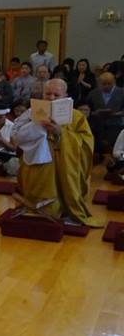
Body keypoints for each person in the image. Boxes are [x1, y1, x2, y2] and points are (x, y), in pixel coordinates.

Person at [12, 79, 100, 227]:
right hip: (36, 162)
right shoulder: (31, 112)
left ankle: (63, 211)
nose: (51, 98)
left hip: (65, 163)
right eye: (48, 94)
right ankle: (33, 209)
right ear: (42, 94)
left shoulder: (76, 116)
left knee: (57, 196)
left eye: (56, 95)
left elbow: (86, 143)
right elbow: (17, 135)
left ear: (65, 95)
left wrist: (61, 133)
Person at [86, 72, 124, 157]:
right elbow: (86, 109)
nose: (106, 86)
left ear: (114, 82)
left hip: (116, 126)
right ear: (99, 83)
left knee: (115, 150)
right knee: (98, 151)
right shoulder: (93, 93)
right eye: (104, 84)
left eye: (109, 83)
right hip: (97, 127)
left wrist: (115, 114)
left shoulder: (122, 92)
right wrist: (94, 113)